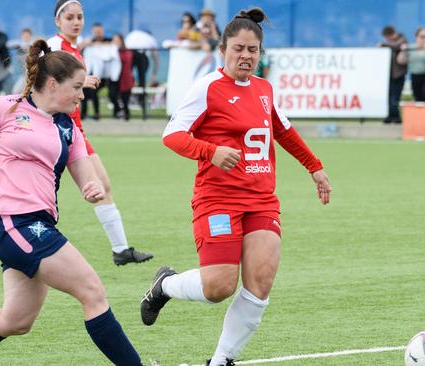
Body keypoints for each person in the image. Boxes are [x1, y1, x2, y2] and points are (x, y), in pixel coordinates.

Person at [0, 39, 142, 366]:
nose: (81, 94)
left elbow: (86, 176)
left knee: (16, 320)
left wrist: (91, 188)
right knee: (92, 292)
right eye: (76, 87)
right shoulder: (1, 107)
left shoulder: (68, 129)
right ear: (52, 84)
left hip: (38, 225)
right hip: (13, 222)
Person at [139, 8, 332, 366]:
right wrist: (210, 151)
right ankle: (164, 285)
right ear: (223, 49)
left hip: (261, 200)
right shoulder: (208, 88)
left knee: (260, 281)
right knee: (219, 287)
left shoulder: (264, 89)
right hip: (218, 200)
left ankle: (222, 359)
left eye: (253, 50)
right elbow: (172, 135)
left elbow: (283, 131)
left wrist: (314, 168)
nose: (245, 56)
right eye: (238, 49)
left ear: (261, 53)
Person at [0, 0, 153, 267]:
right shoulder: (55, 47)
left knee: (94, 185)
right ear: (58, 21)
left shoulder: (75, 47)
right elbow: (40, 81)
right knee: (51, 180)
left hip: (72, 129)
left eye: (80, 16)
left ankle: (121, 248)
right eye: (70, 17)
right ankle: (121, 249)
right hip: (53, 126)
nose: (77, 22)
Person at [397, 27, 425, 102]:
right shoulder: (410, 47)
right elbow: (401, 61)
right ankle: (422, 113)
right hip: (415, 77)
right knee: (418, 99)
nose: (424, 39)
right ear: (416, 37)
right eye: (422, 37)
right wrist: (403, 51)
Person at [378, 25, 407, 124]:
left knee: (395, 97)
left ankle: (396, 117)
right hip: (389, 75)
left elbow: (397, 45)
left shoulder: (402, 40)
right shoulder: (389, 44)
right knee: (389, 97)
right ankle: (390, 116)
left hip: (398, 75)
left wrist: (384, 45)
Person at [111, 33, 134, 121]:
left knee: (125, 99)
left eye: (117, 40)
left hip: (125, 79)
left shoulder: (126, 52)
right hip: (114, 78)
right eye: (114, 40)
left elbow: (125, 60)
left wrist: (115, 51)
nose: (115, 42)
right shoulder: (111, 50)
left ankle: (126, 115)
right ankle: (118, 111)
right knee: (112, 95)